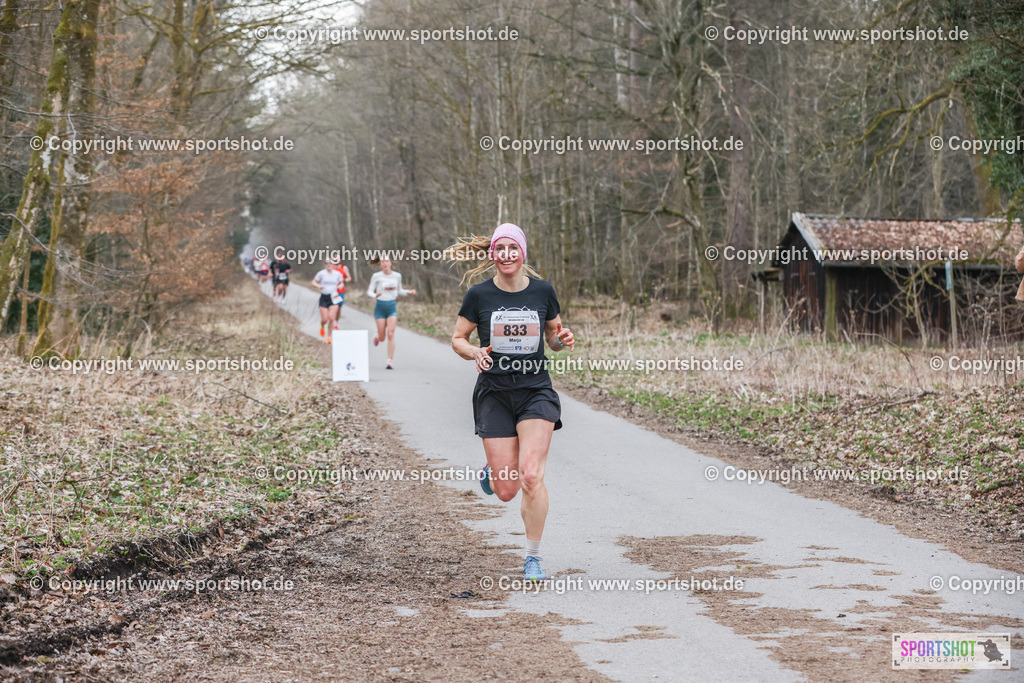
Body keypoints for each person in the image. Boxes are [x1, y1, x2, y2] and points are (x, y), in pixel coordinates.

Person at [448, 223, 574, 582]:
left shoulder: (543, 292)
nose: (506, 254)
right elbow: (457, 338)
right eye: (499, 248)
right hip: (495, 394)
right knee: (507, 490)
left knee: (531, 475)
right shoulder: (479, 295)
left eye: (512, 248)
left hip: (536, 392)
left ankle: (533, 557)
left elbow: (554, 337)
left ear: (522, 253)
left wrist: (563, 339)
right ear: (493, 255)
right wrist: (472, 350)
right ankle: (494, 471)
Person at [366, 257, 415, 369]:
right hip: (380, 307)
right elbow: (369, 291)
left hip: (391, 307)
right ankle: (377, 336)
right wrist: (375, 295)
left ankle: (389, 361)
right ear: (380, 264)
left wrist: (409, 292)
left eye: (387, 261)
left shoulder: (397, 276)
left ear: (390, 263)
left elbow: (400, 290)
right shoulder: (376, 276)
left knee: (391, 334)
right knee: (382, 337)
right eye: (383, 262)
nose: (385, 263)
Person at [312, 259, 344, 343]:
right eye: (327, 263)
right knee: (325, 319)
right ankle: (322, 325)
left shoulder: (337, 274)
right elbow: (313, 282)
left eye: (330, 263)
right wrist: (319, 286)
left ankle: (329, 336)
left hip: (334, 296)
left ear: (333, 264)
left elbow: (342, 283)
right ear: (325, 265)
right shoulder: (321, 273)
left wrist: (340, 285)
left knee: (332, 318)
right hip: (324, 297)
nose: (329, 265)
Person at [333, 261, 353, 329]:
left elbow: (349, 278)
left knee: (338, 308)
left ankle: (336, 324)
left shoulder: (344, 268)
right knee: (333, 307)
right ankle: (331, 322)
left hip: (341, 291)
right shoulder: (330, 267)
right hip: (332, 291)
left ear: (340, 259)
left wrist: (343, 281)